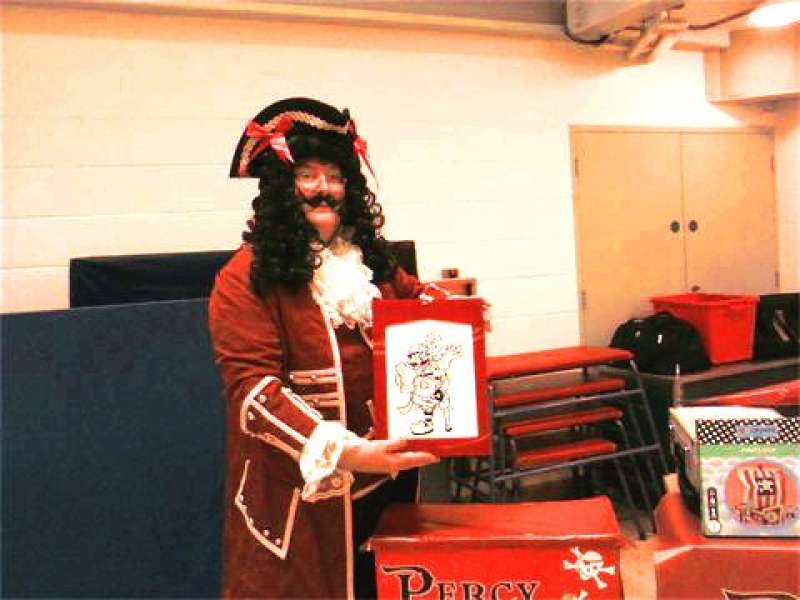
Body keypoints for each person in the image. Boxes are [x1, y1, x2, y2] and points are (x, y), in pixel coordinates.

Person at [208, 97, 446, 599]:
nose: (324, 189)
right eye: (307, 175)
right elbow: (254, 393)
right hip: (302, 494)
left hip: (386, 484)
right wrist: (349, 452)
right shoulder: (244, 277)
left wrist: (462, 317)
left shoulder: (370, 264)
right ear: (281, 189)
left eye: (335, 177)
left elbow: (419, 300)